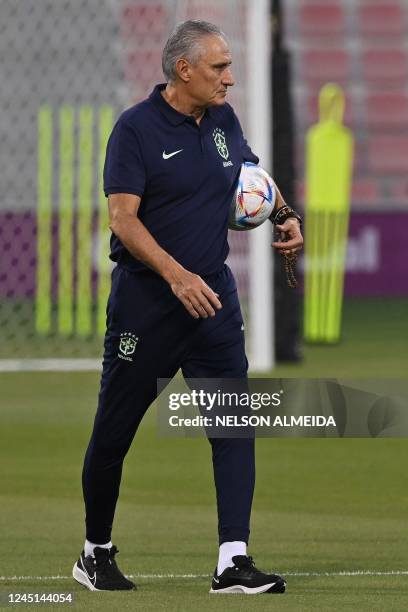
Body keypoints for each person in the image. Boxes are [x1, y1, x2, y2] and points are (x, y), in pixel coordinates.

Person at [72, 20, 303, 595]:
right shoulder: (136, 130)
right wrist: (176, 276)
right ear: (184, 70)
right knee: (115, 432)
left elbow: (251, 179)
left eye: (229, 66)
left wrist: (285, 215)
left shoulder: (223, 119)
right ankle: (94, 552)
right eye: (220, 68)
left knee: (233, 425)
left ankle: (233, 561)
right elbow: (123, 219)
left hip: (214, 302)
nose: (231, 78)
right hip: (147, 304)